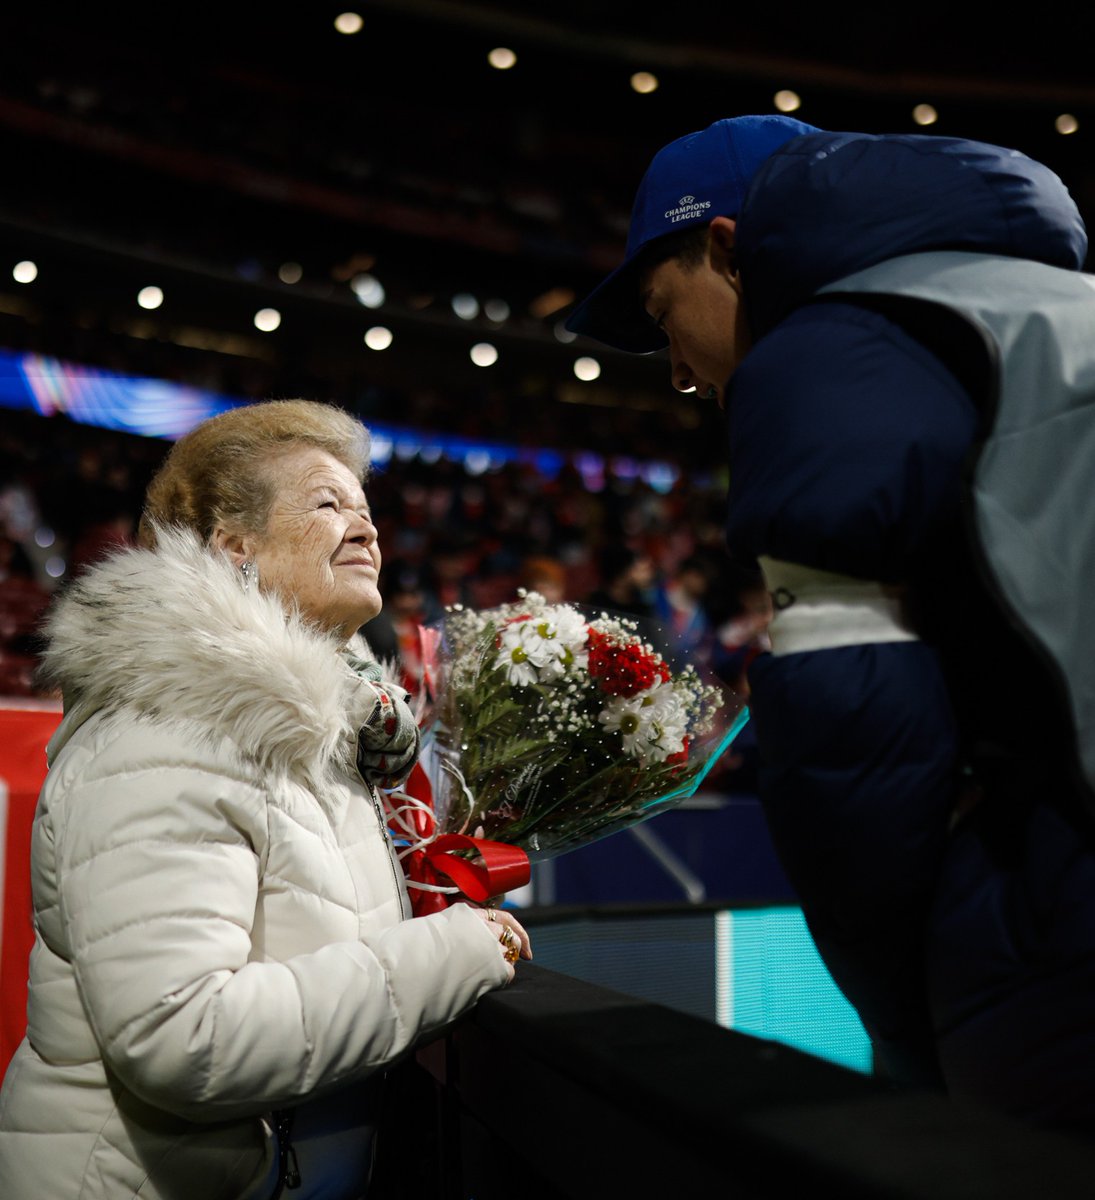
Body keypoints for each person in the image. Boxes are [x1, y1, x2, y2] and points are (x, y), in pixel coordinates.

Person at [566, 114, 1095, 1134]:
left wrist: (907, 1018)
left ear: (727, 247)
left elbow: (854, 739)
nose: (676, 370)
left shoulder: (822, 353)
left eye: (662, 310)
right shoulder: (1045, 307)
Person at [0, 399, 531, 1198]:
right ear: (233, 548)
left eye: (366, 508)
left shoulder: (314, 736)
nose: (367, 530)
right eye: (327, 504)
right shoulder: (172, 730)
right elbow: (182, 1038)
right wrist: (452, 953)